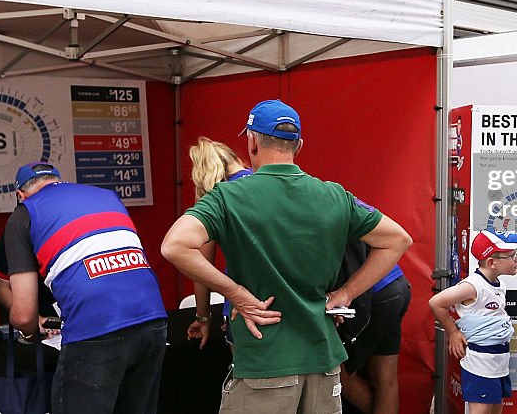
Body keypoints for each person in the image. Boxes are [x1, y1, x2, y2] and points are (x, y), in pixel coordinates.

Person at [161, 99, 412, 413]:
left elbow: (174, 245)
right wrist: (346, 293)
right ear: (299, 145)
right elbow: (398, 239)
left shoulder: (227, 197)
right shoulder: (333, 194)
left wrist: (236, 294)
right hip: (323, 359)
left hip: (264, 359)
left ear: (252, 140)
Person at [4, 162, 168, 414]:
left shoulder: (24, 214)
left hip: (95, 328)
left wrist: (27, 329)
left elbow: (24, 314)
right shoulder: (105, 196)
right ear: (59, 181)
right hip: (153, 318)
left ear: (20, 195)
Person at [428, 229, 517, 414]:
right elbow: (436, 302)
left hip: (499, 363)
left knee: (497, 409)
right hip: (481, 364)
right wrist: (453, 332)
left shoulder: (499, 285)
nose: (516, 259)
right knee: (480, 410)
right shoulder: (472, 286)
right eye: (512, 255)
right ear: (491, 262)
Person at [337, 198, 411, 414]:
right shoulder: (335, 198)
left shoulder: (322, 200)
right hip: (395, 285)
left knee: (338, 372)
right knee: (385, 377)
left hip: (374, 293)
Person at [184, 136, 252, 348]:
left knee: (247, 379)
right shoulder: (266, 184)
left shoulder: (216, 201)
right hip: (291, 301)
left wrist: (203, 318)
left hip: (241, 308)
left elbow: (200, 267)